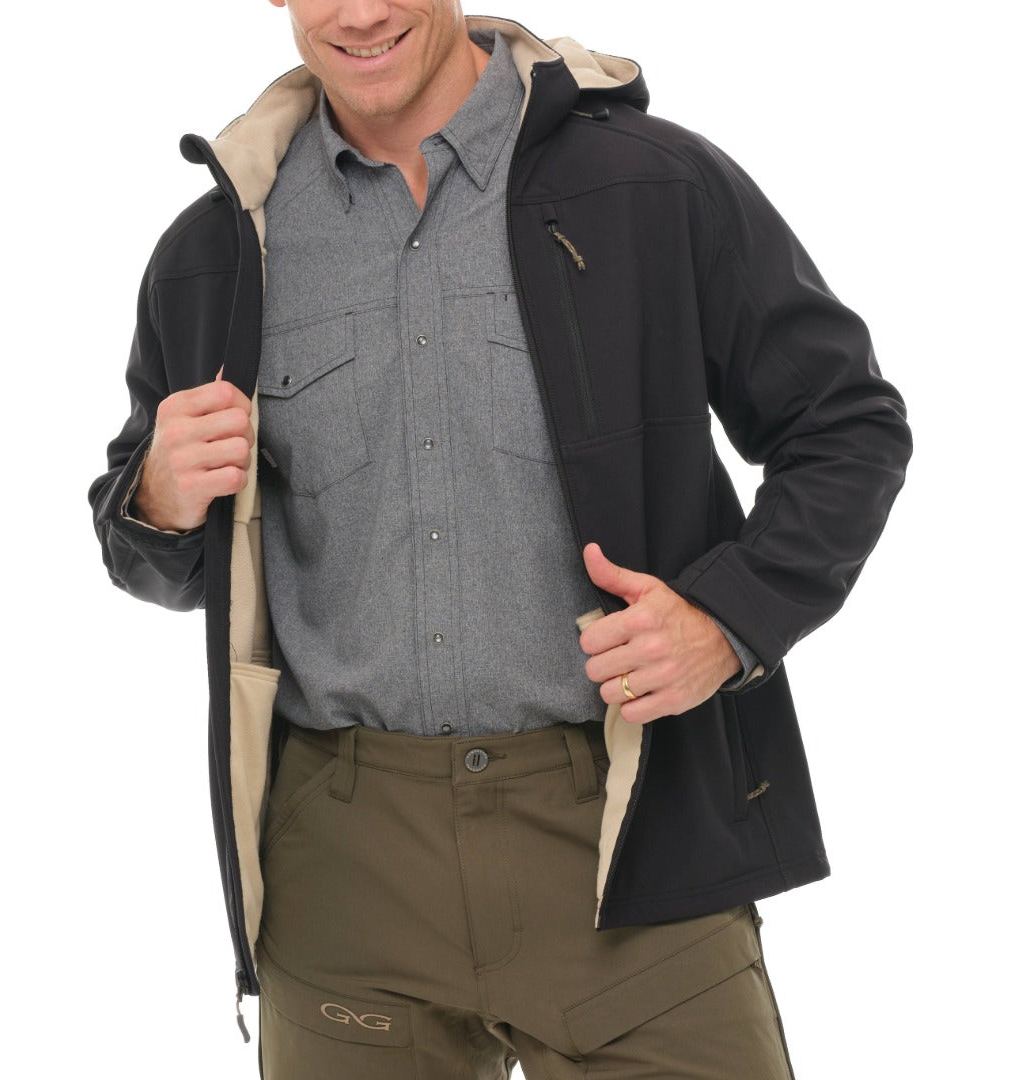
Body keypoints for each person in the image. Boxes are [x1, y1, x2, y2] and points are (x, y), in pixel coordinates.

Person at [89, 4, 913, 1077]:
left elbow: (845, 424)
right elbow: (162, 557)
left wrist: (728, 618)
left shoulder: (651, 185)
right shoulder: (216, 253)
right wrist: (155, 497)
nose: (361, 12)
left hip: (630, 831)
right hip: (343, 871)